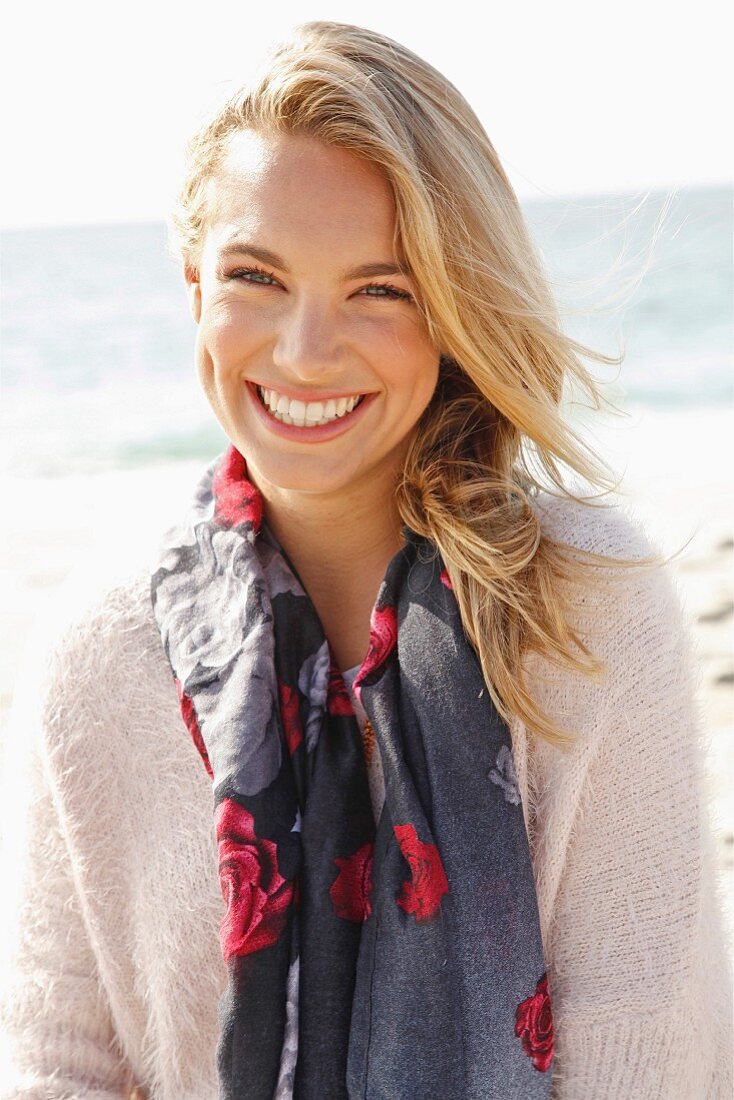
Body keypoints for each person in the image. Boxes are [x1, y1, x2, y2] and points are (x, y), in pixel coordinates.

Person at [1, 19, 732, 1100]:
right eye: (256, 273)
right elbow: (54, 1058)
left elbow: (649, 1052)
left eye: (379, 288)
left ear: (452, 305)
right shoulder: (101, 650)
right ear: (193, 283)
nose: (303, 350)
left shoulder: (587, 604)